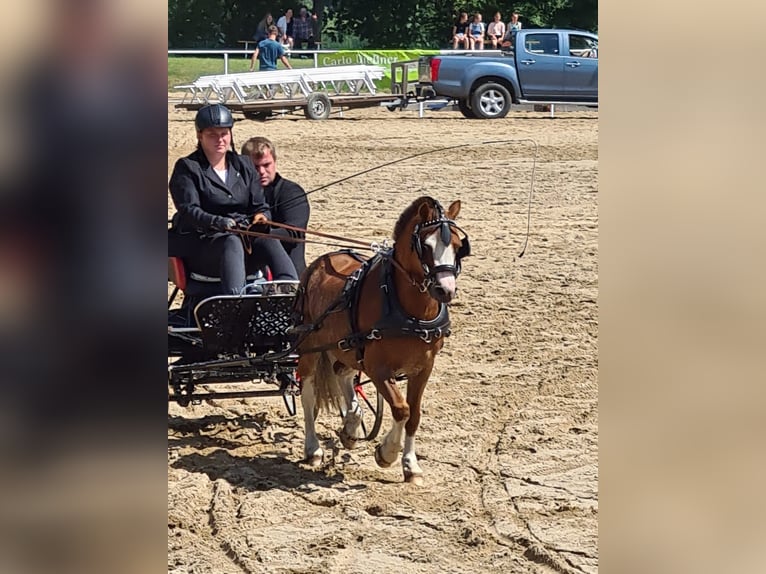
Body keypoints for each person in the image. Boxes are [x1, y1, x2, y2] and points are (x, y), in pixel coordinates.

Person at [168, 104, 298, 295]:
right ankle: (235, 300)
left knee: (267, 239)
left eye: (224, 133)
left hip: (243, 237)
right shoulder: (187, 168)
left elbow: (259, 204)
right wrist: (218, 222)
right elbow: (189, 210)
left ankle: (291, 291)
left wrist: (262, 216)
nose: (220, 140)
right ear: (199, 135)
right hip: (204, 243)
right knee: (231, 241)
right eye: (212, 134)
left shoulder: (243, 164)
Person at [241, 137, 310, 275]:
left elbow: (294, 233)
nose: (261, 172)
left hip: (287, 274)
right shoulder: (237, 194)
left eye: (266, 165)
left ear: (274, 162)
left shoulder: (291, 192)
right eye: (255, 167)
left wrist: (255, 235)